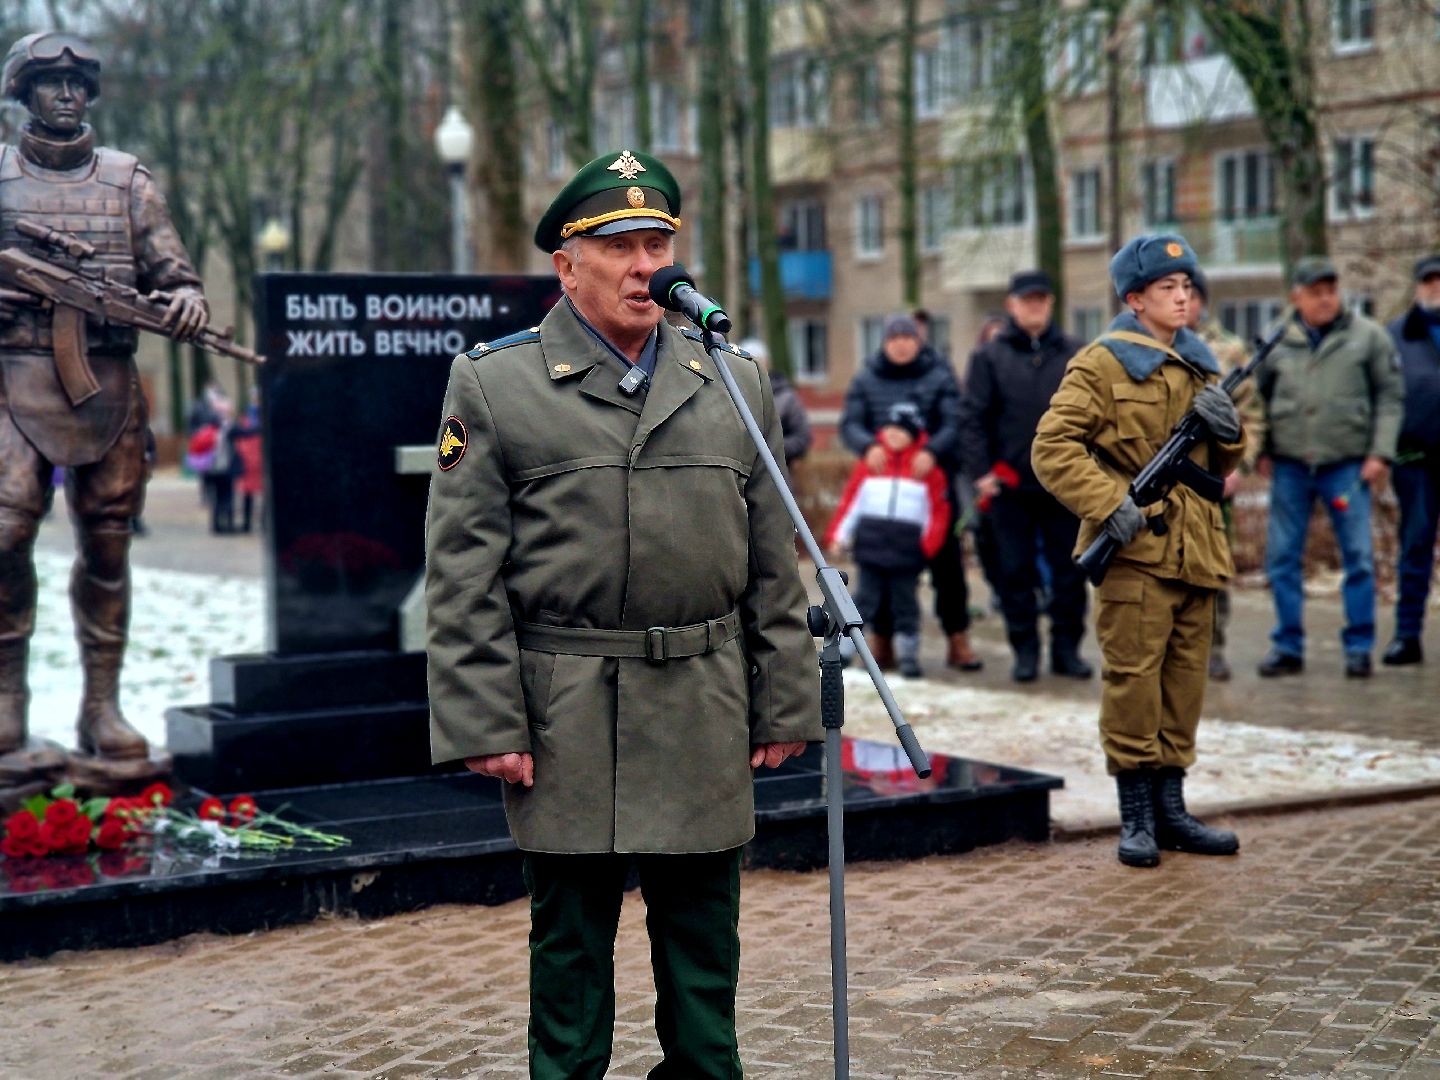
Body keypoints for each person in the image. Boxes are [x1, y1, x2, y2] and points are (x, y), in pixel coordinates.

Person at [424, 148, 820, 1079]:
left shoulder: (733, 379)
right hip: (568, 710)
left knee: (703, 951)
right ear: (568, 265)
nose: (649, 266)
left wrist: (787, 698)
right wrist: (487, 719)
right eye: (623, 247)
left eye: (660, 242)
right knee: (569, 955)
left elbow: (773, 559)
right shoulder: (497, 385)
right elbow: (462, 572)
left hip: (704, 699)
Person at [0, 33, 208, 769]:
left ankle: (101, 705)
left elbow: (174, 274)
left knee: (110, 543)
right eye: (51, 82)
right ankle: (7, 701)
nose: (67, 95)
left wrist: (183, 301)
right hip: (13, 381)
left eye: (78, 83)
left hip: (108, 385)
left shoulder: (128, 183)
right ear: (23, 92)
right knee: (5, 533)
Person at [1033, 233, 1245, 869]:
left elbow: (1218, 465)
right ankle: (1137, 816)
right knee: (1133, 682)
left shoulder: (1205, 365)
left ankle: (1173, 808)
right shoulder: (1102, 364)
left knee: (1184, 685)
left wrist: (1231, 436)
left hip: (1199, 549)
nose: (1183, 299)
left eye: (1188, 288)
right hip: (1135, 551)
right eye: (1166, 290)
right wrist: (1109, 504)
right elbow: (1053, 447)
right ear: (1134, 299)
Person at [1254, 257, 1404, 679]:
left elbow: (1390, 398)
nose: (1325, 299)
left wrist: (1380, 453)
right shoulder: (1276, 339)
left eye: (1330, 290)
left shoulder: (1368, 337)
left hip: (1348, 467)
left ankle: (1358, 646)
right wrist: (1260, 449)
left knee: (1357, 556)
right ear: (1296, 296)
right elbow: (1256, 399)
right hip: (1290, 466)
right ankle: (1287, 645)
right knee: (1282, 557)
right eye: (1315, 291)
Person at [959, 270, 1090, 683]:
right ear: (1012, 305)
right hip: (1008, 485)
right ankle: (1026, 652)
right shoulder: (989, 357)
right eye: (1026, 300)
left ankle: (1067, 650)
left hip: (1064, 484)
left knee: (1070, 571)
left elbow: (1092, 414)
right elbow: (973, 419)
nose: (1034, 306)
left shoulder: (1075, 353)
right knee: (1015, 573)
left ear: (1050, 303)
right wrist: (981, 473)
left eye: (1041, 299)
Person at [840, 313, 979, 670]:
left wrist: (932, 451)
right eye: (894, 338)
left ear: (918, 341)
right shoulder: (868, 377)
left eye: (908, 337)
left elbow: (955, 421)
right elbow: (851, 423)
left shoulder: (939, 374)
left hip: (930, 488)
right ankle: (883, 641)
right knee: (883, 568)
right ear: (885, 342)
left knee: (947, 569)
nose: (901, 343)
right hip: (884, 490)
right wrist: (868, 444)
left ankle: (957, 638)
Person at [826, 401, 951, 678]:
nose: (895, 435)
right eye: (890, 429)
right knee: (862, 603)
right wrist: (839, 535)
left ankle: (908, 656)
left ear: (915, 435)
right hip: (871, 549)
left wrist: (929, 545)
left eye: (902, 431)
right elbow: (851, 503)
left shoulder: (929, 471)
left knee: (905, 605)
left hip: (907, 553)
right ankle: (846, 650)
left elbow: (938, 512)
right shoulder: (870, 465)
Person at [1186, 270, 1262, 681]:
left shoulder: (1228, 352)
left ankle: (1213, 647)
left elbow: (1250, 418)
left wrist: (1239, 466)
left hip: (1214, 481)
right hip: (1169, 482)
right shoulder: (1145, 350)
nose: (1183, 302)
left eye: (1190, 293)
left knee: (1213, 567)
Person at [1383, 254, 1440, 665]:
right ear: (1417, 286)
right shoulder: (1396, 335)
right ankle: (1407, 635)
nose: (1435, 287)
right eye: (1428, 281)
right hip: (1415, 457)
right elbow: (1381, 396)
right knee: (1415, 544)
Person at [736, 337, 810, 468]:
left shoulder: (786, 398)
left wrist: (768, 448)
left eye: (755, 362)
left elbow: (802, 439)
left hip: (777, 474)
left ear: (766, 363)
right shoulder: (731, 395)